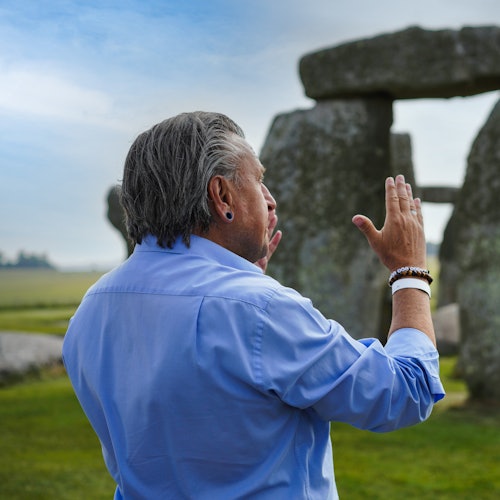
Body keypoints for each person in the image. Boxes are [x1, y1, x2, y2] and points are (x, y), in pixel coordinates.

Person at [62, 111, 445, 499]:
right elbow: (405, 392)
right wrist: (409, 271)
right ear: (222, 196)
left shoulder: (91, 311)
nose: (270, 200)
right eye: (258, 180)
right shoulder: (260, 311)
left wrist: (242, 282)